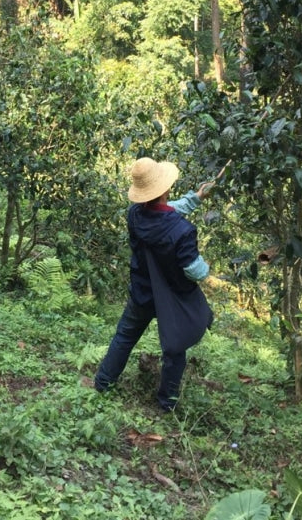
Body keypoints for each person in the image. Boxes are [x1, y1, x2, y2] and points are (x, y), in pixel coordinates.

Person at [94, 157, 214, 412]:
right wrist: (208, 270)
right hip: (172, 298)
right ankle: (167, 403)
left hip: (143, 291)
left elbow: (166, 212)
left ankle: (103, 384)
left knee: (125, 336)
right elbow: (194, 270)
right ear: (165, 188)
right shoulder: (182, 231)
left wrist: (195, 197)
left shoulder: (135, 214)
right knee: (175, 347)